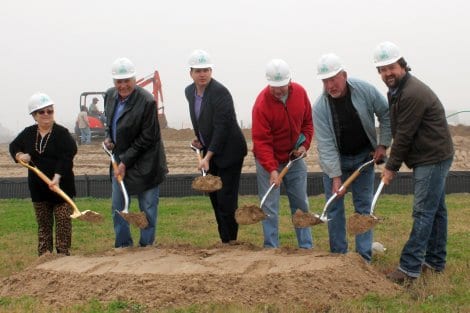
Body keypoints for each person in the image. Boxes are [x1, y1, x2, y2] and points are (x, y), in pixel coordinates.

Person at [373, 41, 454, 283]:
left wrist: (390, 168)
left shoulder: (411, 93)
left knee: (423, 212)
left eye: (391, 67)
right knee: (436, 211)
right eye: (382, 69)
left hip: (432, 157)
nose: (387, 73)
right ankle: (435, 261)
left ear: (402, 65)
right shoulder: (396, 90)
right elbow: (402, 131)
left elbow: (405, 135)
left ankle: (409, 269)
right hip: (428, 155)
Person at [312, 53, 392, 262]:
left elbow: (385, 113)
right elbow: (327, 146)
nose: (330, 85)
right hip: (336, 161)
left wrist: (382, 144)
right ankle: (339, 257)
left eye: (333, 79)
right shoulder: (320, 108)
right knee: (335, 208)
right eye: (325, 81)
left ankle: (363, 258)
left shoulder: (364, 90)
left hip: (364, 158)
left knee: (363, 207)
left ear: (344, 75)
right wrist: (336, 178)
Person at [103, 57, 167, 248]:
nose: (123, 85)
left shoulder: (147, 101)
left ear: (134, 79)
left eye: (127, 81)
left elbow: (148, 138)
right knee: (119, 207)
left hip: (146, 162)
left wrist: (125, 162)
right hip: (120, 160)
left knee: (147, 207)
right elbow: (110, 123)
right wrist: (108, 138)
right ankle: (123, 246)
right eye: (119, 82)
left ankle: (147, 246)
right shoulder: (110, 96)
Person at [185, 49, 247, 244]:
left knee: (226, 199)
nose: (202, 74)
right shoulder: (189, 91)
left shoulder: (220, 92)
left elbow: (222, 127)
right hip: (210, 150)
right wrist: (200, 140)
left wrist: (207, 157)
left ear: (211, 71)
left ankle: (231, 242)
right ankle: (224, 241)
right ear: (191, 73)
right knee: (214, 199)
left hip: (229, 152)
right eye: (198, 70)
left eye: (206, 70)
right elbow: (201, 120)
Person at [252, 59, 313, 249]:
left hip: (293, 159)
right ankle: (271, 248)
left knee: (300, 203)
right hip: (268, 160)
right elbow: (261, 142)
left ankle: (306, 247)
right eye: (274, 87)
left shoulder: (301, 93)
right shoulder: (262, 104)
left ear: (290, 81)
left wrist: (304, 146)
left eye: (282, 87)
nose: (278, 91)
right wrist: (271, 169)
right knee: (269, 206)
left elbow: (308, 123)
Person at [9, 92, 77, 256]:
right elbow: (13, 146)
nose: (46, 115)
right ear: (34, 115)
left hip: (61, 188)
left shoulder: (62, 133)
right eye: (42, 112)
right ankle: (44, 260)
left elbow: (68, 155)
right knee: (44, 227)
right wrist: (19, 156)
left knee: (63, 225)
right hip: (38, 190)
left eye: (50, 111)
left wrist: (57, 178)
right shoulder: (28, 133)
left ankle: (62, 257)